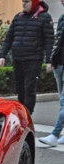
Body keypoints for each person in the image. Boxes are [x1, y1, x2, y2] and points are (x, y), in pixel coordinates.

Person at [0, 0, 54, 115]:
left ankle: (27, 113)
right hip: (18, 59)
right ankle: (21, 112)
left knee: (29, 88)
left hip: (34, 59)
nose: (24, 4)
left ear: (34, 3)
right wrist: (2, 55)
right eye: (23, 1)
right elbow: (9, 38)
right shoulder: (18, 17)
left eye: (27, 2)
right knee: (20, 89)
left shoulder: (44, 18)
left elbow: (49, 41)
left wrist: (49, 61)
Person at [39, 0, 64, 146]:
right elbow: (57, 41)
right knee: (62, 102)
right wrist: (52, 61)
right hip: (59, 64)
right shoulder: (61, 17)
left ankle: (55, 134)